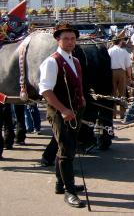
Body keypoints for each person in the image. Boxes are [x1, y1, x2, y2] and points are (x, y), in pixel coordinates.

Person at [38, 22, 86, 208]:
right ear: (58, 40)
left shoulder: (75, 61)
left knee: (66, 147)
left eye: (72, 38)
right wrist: (64, 109)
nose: (70, 41)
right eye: (65, 38)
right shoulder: (52, 61)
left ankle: (61, 184)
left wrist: (81, 98)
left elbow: (77, 84)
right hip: (59, 111)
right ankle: (70, 192)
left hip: (74, 111)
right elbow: (46, 91)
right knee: (66, 149)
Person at [108, 31, 132, 119]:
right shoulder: (124, 52)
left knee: (112, 93)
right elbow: (128, 66)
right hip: (122, 72)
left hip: (111, 72)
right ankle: (122, 114)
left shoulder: (109, 51)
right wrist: (129, 76)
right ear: (120, 42)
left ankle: (113, 114)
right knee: (122, 93)